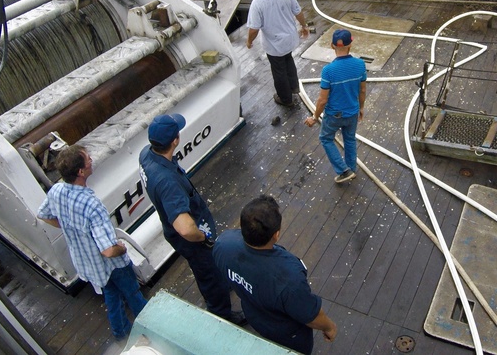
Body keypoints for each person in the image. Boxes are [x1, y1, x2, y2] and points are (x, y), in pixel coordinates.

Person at [138, 113, 246, 326]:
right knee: (208, 275)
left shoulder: (146, 154)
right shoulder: (167, 183)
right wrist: (202, 237)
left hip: (175, 225)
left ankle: (221, 279)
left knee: (213, 266)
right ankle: (221, 313)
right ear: (175, 140)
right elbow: (185, 229)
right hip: (194, 239)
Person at [37, 145, 147, 340]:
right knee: (133, 294)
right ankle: (151, 326)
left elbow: (43, 214)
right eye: (88, 158)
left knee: (112, 298)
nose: (91, 160)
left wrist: (67, 225)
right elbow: (107, 251)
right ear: (80, 171)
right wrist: (121, 248)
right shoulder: (92, 205)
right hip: (112, 264)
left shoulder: (56, 191)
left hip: (89, 264)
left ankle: (121, 334)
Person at [213, 195, 337, 354]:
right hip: (287, 335)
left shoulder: (223, 244)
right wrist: (330, 327)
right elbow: (311, 316)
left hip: (255, 316)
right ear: (276, 235)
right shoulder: (289, 278)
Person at [304, 29, 367, 184]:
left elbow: (322, 100)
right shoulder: (360, 65)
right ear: (350, 45)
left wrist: (314, 117)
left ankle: (343, 170)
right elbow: (362, 90)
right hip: (352, 112)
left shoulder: (328, 71)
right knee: (350, 140)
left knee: (325, 138)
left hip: (334, 115)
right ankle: (351, 169)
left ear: (332, 46)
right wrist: (360, 108)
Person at [246, 0, 309, 106]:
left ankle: (285, 99)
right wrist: (304, 26)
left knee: (278, 71)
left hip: (274, 45)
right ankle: (294, 87)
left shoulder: (257, 4)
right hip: (290, 40)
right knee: (288, 60)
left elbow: (254, 28)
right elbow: (298, 12)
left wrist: (249, 41)